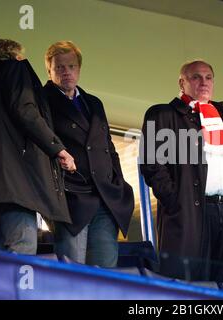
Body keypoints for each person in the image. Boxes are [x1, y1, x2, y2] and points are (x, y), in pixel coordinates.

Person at [140, 60, 223, 289]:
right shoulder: (163, 114)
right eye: (196, 77)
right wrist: (176, 201)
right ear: (182, 83)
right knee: (190, 287)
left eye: (208, 77)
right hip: (192, 212)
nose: (204, 82)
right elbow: (152, 163)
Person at [0, 39, 76, 254]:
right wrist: (58, 149)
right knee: (22, 252)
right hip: (15, 190)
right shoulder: (15, 70)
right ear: (16, 56)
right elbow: (26, 113)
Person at [43, 41, 134, 268]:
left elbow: (108, 147)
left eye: (71, 66)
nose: (67, 72)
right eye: (60, 68)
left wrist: (118, 182)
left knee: (104, 274)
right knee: (72, 275)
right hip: (70, 197)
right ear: (49, 71)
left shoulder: (93, 102)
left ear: (79, 69)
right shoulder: (41, 100)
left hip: (105, 196)